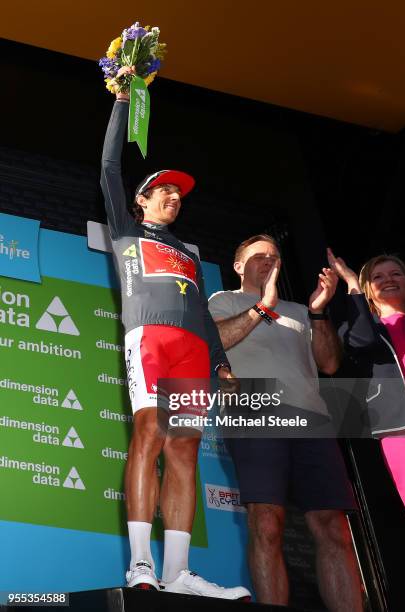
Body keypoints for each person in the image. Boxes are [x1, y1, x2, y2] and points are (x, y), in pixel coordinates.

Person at [100, 67, 250, 600]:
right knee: (150, 435)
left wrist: (219, 363)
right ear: (140, 200)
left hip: (191, 351)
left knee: (185, 451)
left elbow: (206, 317)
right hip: (149, 340)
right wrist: (122, 101)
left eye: (177, 194)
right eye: (162, 191)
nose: (172, 197)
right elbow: (109, 167)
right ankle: (140, 564)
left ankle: (178, 572)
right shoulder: (124, 228)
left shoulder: (190, 252)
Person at [208, 235, 363, 611]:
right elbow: (214, 343)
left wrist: (318, 312)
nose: (269, 261)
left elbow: (328, 364)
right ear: (238, 266)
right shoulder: (222, 301)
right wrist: (263, 307)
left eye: (274, 257)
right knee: (266, 521)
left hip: (312, 419)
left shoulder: (298, 310)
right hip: (256, 407)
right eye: (259, 256)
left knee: (333, 526)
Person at [328, 249, 405, 512]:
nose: (388, 279)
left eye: (396, 273)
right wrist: (351, 282)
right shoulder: (361, 327)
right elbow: (362, 340)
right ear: (367, 290)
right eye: (378, 277)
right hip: (400, 428)